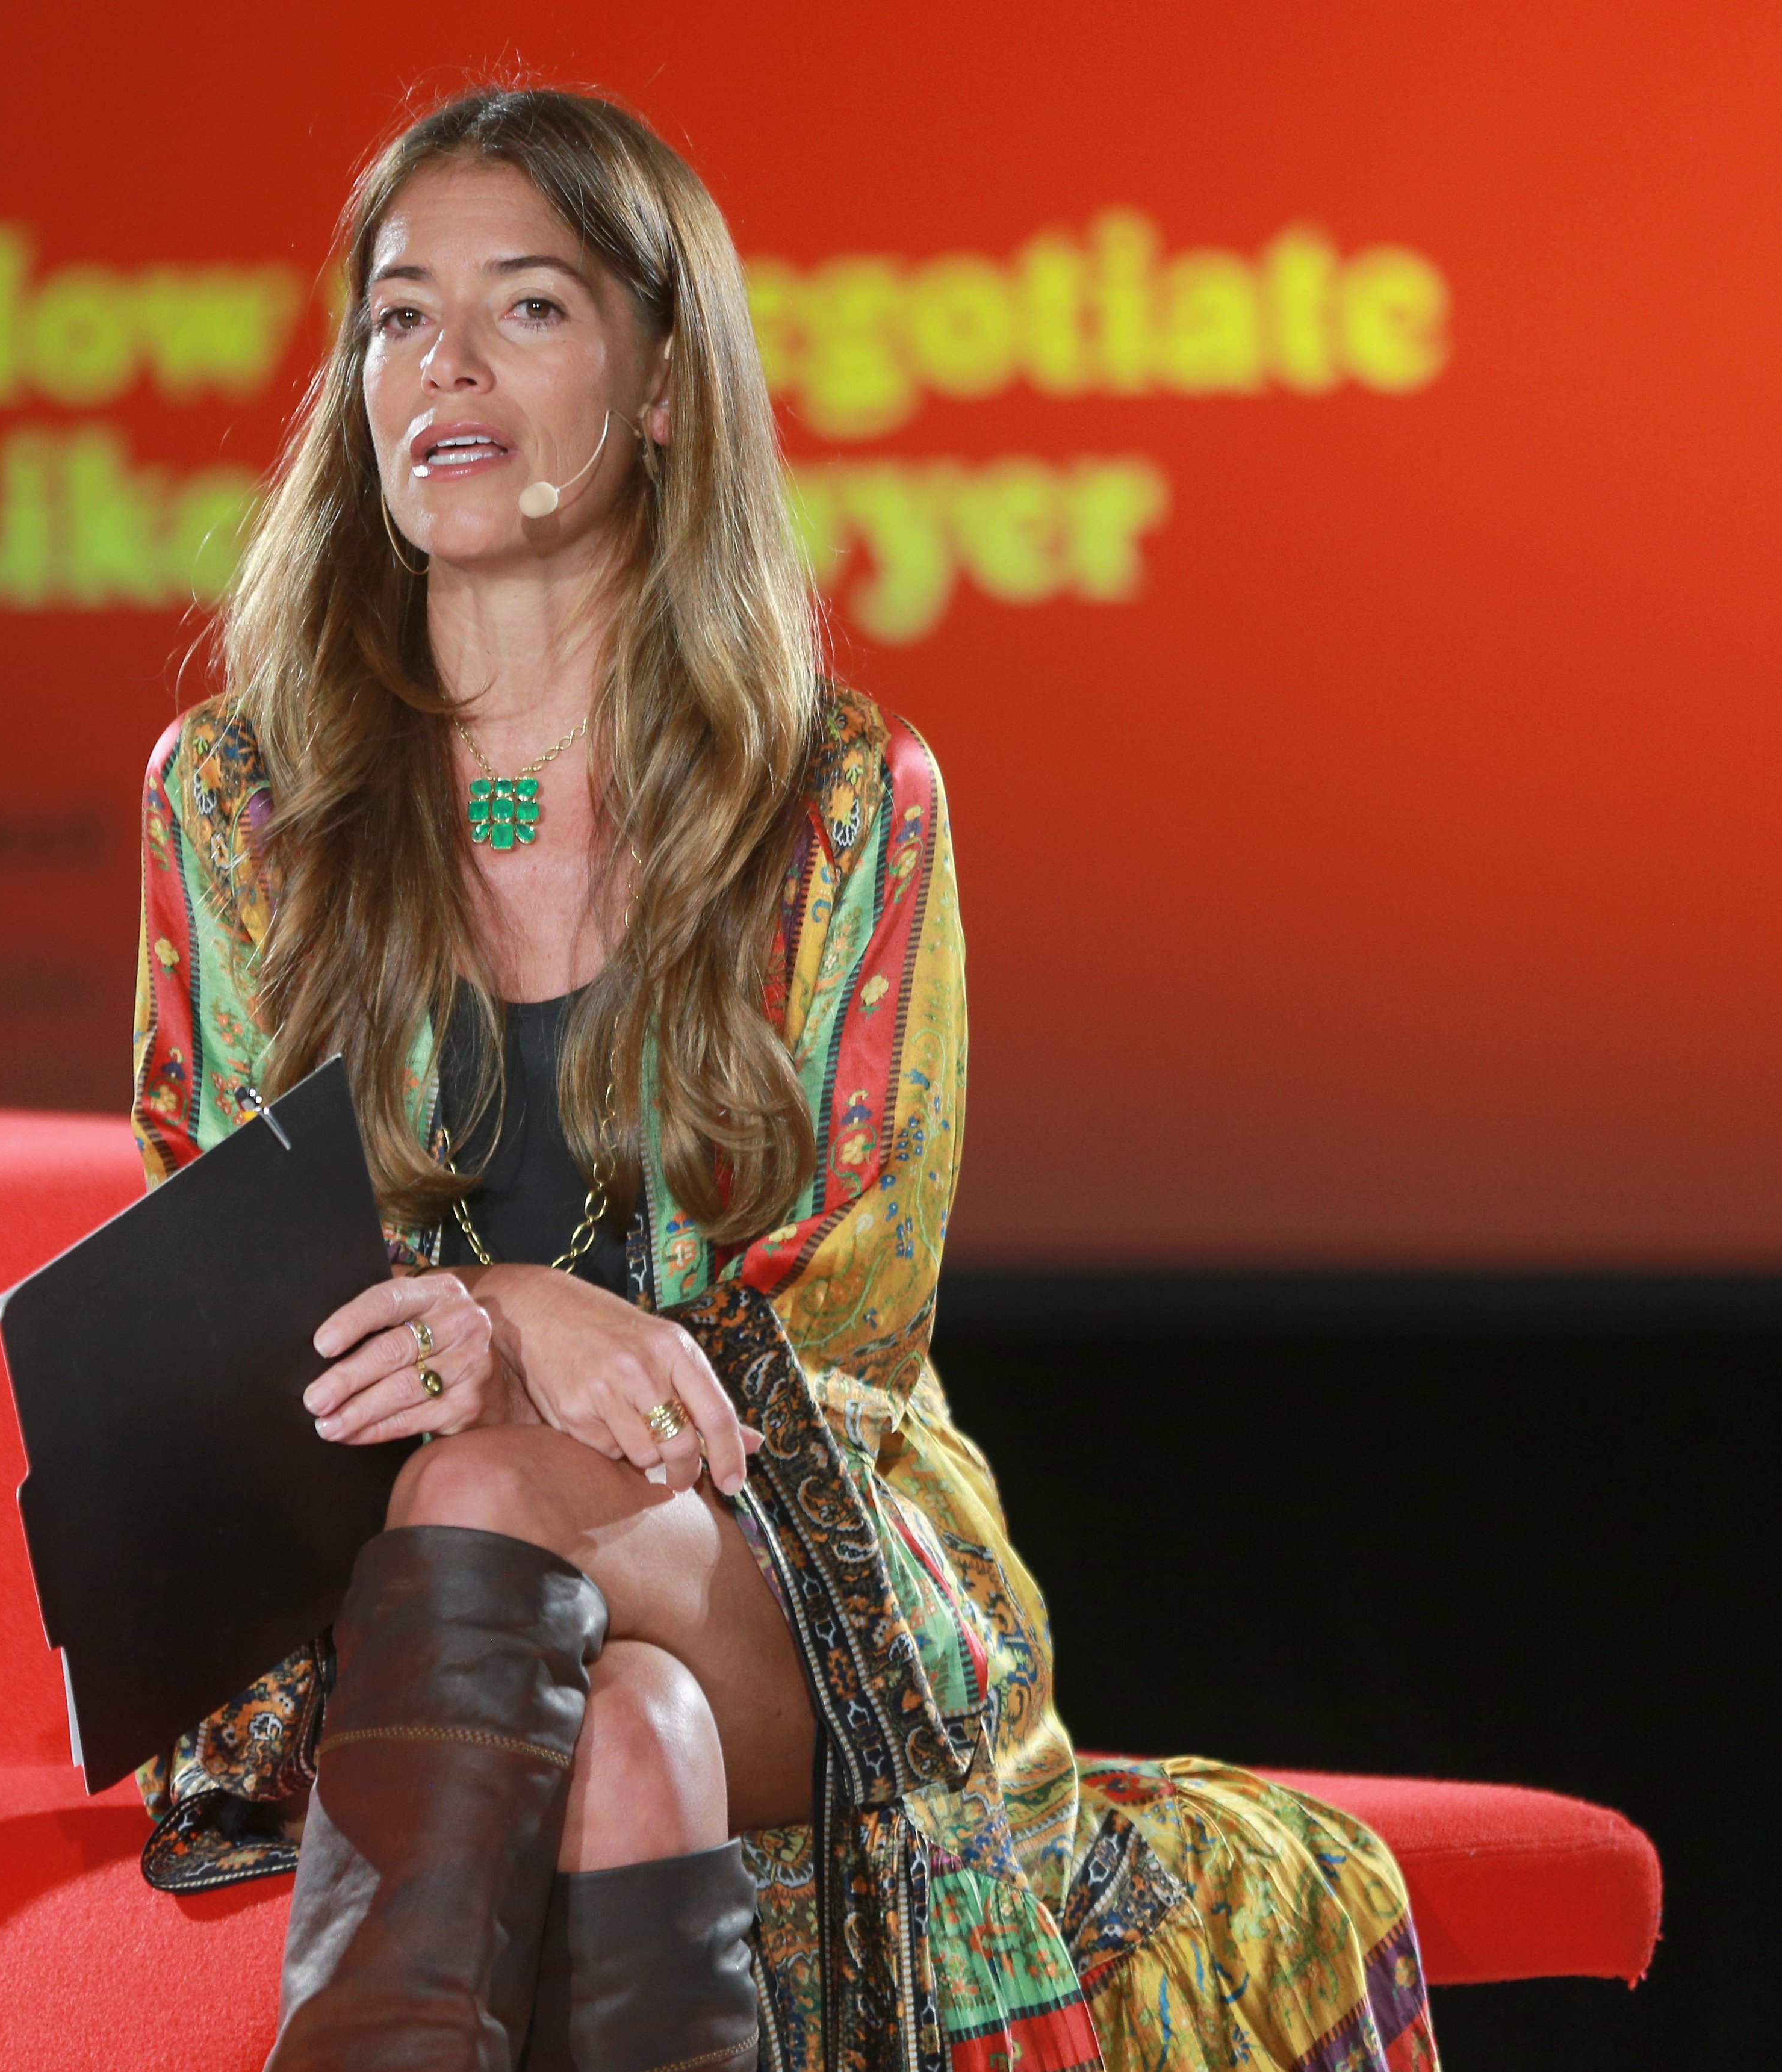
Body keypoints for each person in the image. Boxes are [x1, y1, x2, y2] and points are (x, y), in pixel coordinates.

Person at [128, 84, 1439, 2072]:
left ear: (660, 383)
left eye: (530, 309)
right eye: (398, 316)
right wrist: (491, 1313)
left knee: (507, 1487)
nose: (445, 365)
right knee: (624, 1742)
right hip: (376, 1596)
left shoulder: (838, 805)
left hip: (782, 1552)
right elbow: (211, 1261)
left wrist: (531, 1356)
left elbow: (848, 1320)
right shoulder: (237, 803)